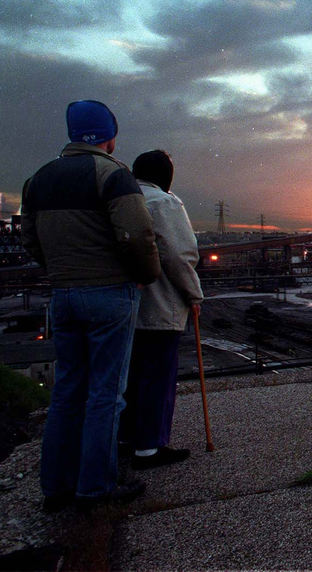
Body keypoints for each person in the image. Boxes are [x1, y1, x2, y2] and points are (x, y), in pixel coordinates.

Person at [21, 100, 161, 511]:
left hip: (62, 294)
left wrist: (59, 270)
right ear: (108, 137)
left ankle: (56, 486)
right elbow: (138, 235)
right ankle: (95, 486)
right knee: (106, 393)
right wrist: (145, 275)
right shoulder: (113, 175)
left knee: (66, 390)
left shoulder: (38, 180)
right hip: (109, 293)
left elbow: (30, 238)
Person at [120, 150, 203, 470]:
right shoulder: (165, 203)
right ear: (166, 176)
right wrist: (194, 295)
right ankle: (149, 447)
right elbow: (179, 257)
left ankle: (126, 438)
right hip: (160, 304)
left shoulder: (120, 200)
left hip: (125, 305)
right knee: (158, 377)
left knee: (129, 375)